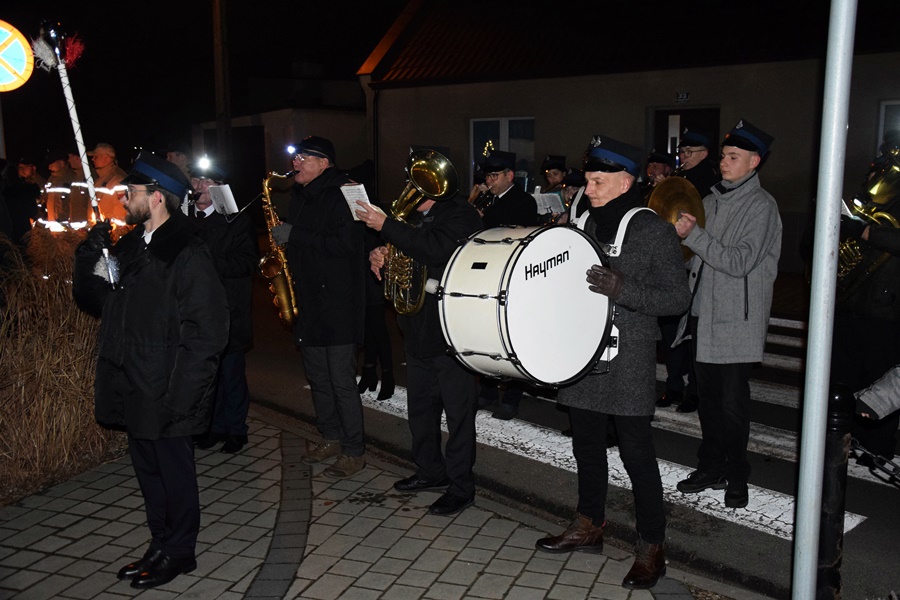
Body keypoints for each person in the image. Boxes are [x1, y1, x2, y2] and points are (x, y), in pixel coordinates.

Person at [535, 135, 690, 591]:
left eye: (599, 180)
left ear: (625, 181)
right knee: (585, 444)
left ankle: (652, 548)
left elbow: (677, 298)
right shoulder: (580, 224)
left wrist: (624, 290)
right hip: (583, 353)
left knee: (637, 454)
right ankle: (589, 525)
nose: (590, 186)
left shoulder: (652, 229)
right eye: (589, 178)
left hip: (629, 359)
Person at [71, 151, 228, 590]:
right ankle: (160, 544)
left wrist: (182, 400)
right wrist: (89, 255)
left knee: (175, 477)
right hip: (135, 383)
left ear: (157, 197)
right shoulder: (129, 246)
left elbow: (208, 334)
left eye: (131, 192)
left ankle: (179, 552)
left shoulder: (187, 252)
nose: (124, 198)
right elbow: (97, 300)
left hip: (168, 391)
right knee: (149, 474)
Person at [355, 150, 483, 516]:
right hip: (416, 327)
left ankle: (462, 487)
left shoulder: (460, 214)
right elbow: (404, 249)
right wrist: (381, 253)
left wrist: (387, 228)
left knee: (459, 416)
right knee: (421, 411)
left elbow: (435, 249)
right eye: (412, 181)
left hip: (450, 330)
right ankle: (430, 471)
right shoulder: (410, 216)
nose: (412, 189)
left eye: (420, 183)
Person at [673, 119, 782, 509]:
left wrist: (695, 236)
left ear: (754, 162)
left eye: (733, 157)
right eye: (723, 156)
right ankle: (711, 465)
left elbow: (738, 262)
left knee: (733, 407)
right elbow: (699, 259)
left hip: (737, 319)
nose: (724, 162)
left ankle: (737, 474)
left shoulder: (761, 206)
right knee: (709, 401)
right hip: (705, 314)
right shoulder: (714, 198)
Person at [270, 136, 367, 479]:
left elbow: (346, 245)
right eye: (296, 157)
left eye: (303, 158)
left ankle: (354, 451)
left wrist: (295, 235)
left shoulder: (344, 191)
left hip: (338, 301)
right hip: (307, 299)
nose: (295, 163)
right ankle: (330, 437)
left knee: (341, 379)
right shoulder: (300, 194)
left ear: (324, 163)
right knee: (318, 377)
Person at [826, 136, 900, 463]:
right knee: (847, 374)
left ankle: (879, 445)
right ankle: (852, 433)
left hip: (886, 308)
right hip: (852, 301)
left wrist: (865, 231)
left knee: (879, 376)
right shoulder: (878, 184)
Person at [188, 159, 259, 453]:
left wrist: (207, 261)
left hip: (229, 309)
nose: (200, 186)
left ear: (220, 188)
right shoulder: (186, 218)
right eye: (196, 180)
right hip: (197, 311)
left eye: (208, 182)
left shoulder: (235, 218)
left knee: (230, 373)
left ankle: (236, 430)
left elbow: (246, 262)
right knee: (207, 376)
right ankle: (212, 427)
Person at [477, 149, 539, 420]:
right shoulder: (488, 200)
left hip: (510, 275)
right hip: (489, 273)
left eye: (494, 175)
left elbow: (511, 234)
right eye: (487, 175)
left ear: (509, 175)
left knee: (511, 336)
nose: (489, 180)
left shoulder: (522, 201)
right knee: (488, 334)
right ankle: (489, 391)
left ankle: (512, 397)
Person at [89, 143, 128, 221]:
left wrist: (116, 230)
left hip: (111, 230)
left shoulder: (117, 180)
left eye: (96, 156)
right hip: (101, 229)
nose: (92, 159)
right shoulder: (101, 179)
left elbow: (121, 211)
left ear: (106, 158)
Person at [676, 127, 720, 198]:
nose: (682, 156)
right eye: (681, 151)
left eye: (689, 151)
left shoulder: (707, 179)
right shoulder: (680, 173)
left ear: (703, 154)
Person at [44, 151, 78, 222]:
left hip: (66, 223)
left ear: (61, 163)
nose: (49, 167)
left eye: (52, 164)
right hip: (52, 221)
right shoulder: (51, 179)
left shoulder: (72, 177)